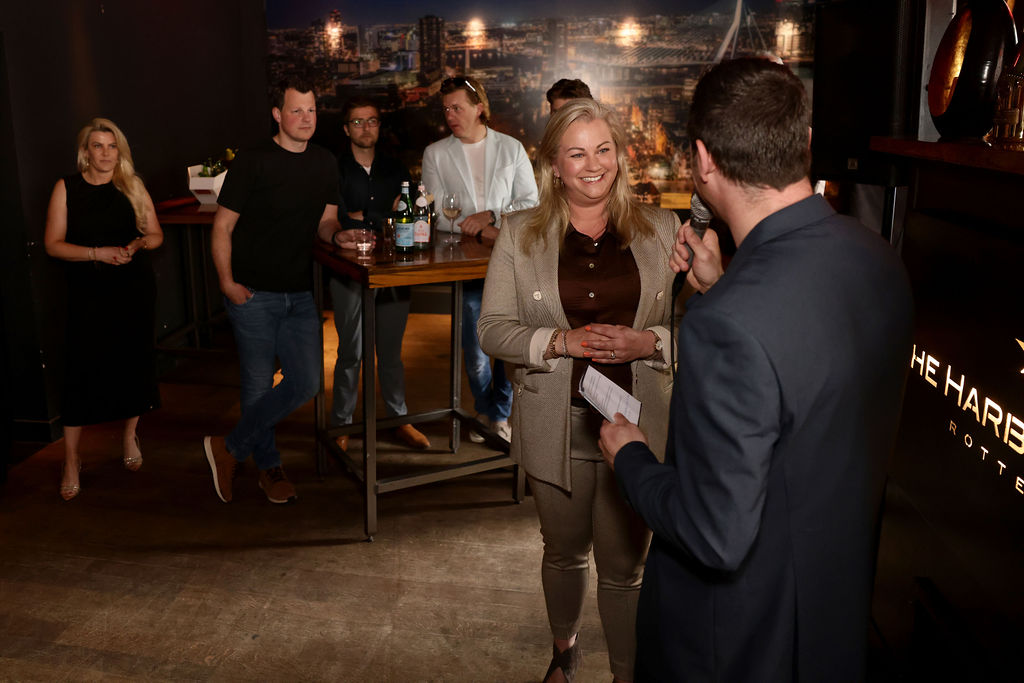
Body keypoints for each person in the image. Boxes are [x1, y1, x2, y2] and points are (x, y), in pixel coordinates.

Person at [599, 58, 914, 681]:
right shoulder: (879, 259)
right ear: (805, 143)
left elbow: (714, 533)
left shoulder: (728, 323)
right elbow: (805, 381)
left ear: (703, 161)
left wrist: (630, 457)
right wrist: (723, 286)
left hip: (740, 645)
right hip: (835, 615)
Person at [478, 99, 688, 683]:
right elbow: (491, 328)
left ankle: (626, 674)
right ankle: (563, 653)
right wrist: (558, 342)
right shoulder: (519, 234)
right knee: (564, 551)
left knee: (626, 568)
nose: (593, 165)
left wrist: (649, 343)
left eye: (603, 150)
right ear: (554, 165)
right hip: (556, 421)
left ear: (619, 157)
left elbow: (701, 328)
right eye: (576, 154)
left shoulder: (663, 230)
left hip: (638, 426)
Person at [203, 79, 357, 505]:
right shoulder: (253, 161)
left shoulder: (324, 162)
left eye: (311, 111)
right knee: (257, 386)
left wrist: (339, 235)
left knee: (306, 382)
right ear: (277, 114)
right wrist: (227, 283)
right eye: (296, 111)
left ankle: (229, 447)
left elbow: (325, 222)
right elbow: (222, 227)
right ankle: (269, 468)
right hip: (252, 293)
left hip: (300, 294)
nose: (306, 119)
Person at [44, 118, 164, 501]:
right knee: (79, 373)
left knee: (133, 365)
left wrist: (137, 245)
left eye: (112, 146)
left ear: (120, 151)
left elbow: (156, 234)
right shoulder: (66, 188)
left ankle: (129, 435)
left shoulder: (132, 185)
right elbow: (52, 244)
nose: (106, 153)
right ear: (85, 152)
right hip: (87, 293)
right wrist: (97, 253)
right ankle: (71, 459)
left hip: (132, 290)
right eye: (98, 146)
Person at [421, 75, 538, 443]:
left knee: (507, 346)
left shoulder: (511, 148)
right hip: (465, 262)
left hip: (509, 262)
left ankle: (496, 414)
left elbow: (530, 203)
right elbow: (436, 214)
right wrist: (476, 228)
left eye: (457, 108)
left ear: (479, 108)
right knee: (474, 352)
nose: (450, 116)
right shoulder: (435, 153)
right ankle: (488, 409)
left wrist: (492, 218)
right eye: (446, 110)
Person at [330, 97, 431, 452]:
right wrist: (384, 216)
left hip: (393, 267)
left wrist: (366, 216)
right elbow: (339, 219)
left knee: (391, 351)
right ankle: (341, 423)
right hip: (349, 269)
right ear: (346, 129)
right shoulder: (335, 169)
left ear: (379, 126)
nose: (365, 128)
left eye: (371, 121)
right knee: (351, 352)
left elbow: (407, 214)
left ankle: (398, 419)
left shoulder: (395, 168)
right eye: (357, 122)